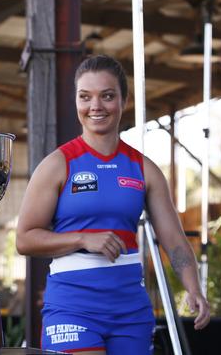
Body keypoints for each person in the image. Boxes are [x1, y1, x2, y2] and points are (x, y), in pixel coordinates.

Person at [15, 55, 210, 354]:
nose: (96, 106)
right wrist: (82, 238)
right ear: (76, 102)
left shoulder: (144, 169)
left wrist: (193, 288)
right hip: (73, 308)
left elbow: (174, 241)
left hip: (130, 311)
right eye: (85, 97)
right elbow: (25, 239)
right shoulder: (57, 164)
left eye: (107, 96)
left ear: (123, 100)